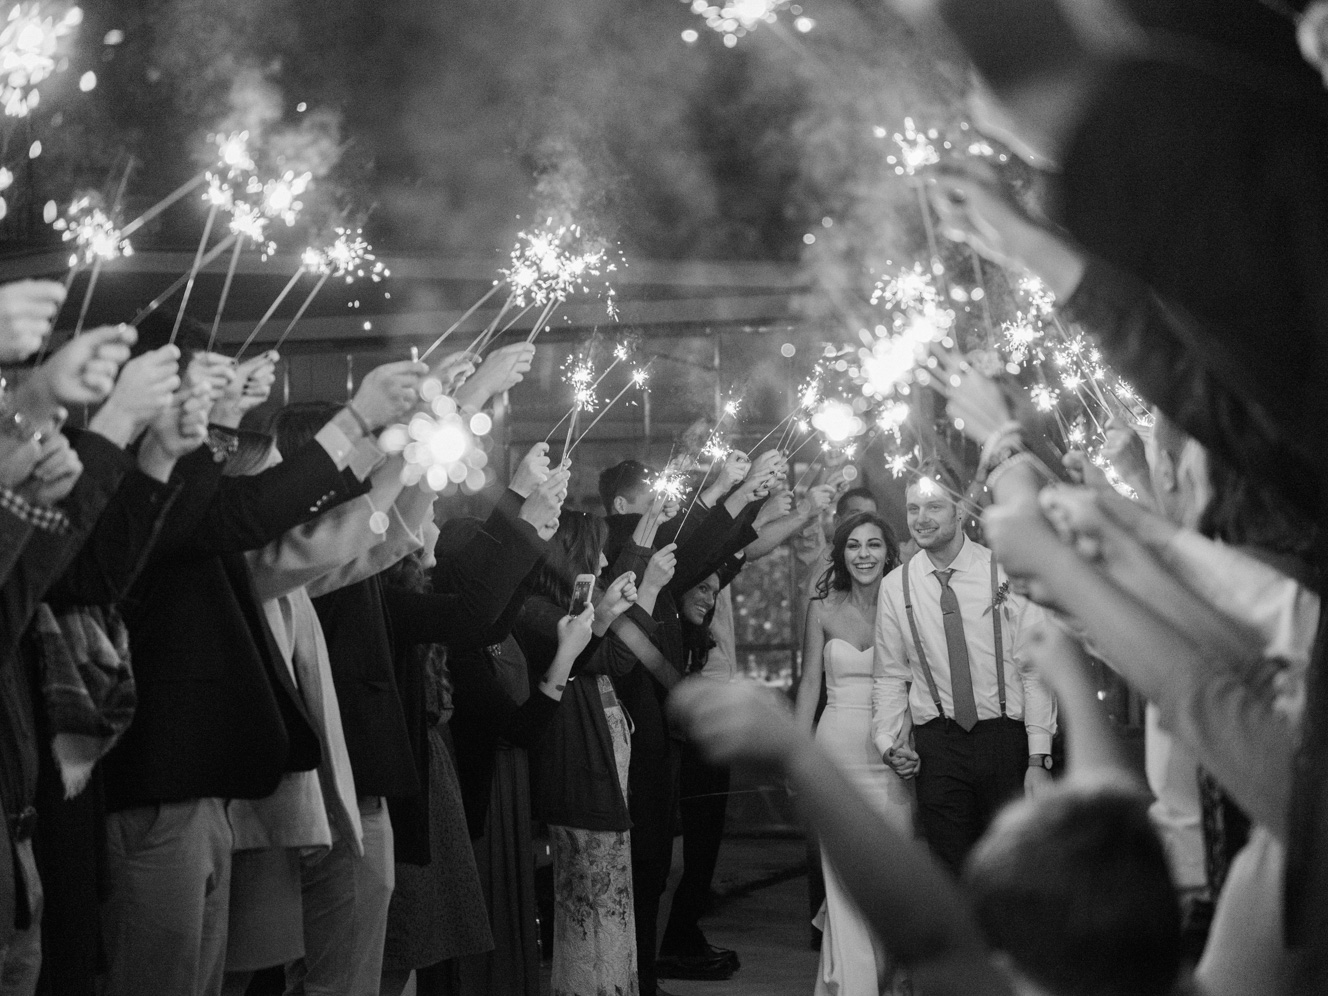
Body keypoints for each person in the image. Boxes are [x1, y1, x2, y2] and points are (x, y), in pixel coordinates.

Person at [870, 461, 1056, 874]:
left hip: (1004, 742)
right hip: (938, 747)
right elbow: (889, 675)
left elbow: (1034, 669)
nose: (921, 518)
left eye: (934, 507)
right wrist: (887, 741)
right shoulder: (895, 586)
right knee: (953, 874)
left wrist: (1038, 759)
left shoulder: (1005, 571)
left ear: (959, 511)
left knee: (1013, 873)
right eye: (913, 508)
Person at [512, 508, 659, 996]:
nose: (600, 560)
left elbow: (607, 658)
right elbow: (604, 658)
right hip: (577, 765)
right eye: (594, 550)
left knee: (603, 895)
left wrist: (613, 609)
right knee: (589, 898)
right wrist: (625, 606)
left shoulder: (569, 610)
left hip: (600, 761)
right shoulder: (536, 611)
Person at [796, 511, 912, 996]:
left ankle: (881, 979)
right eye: (854, 546)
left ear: (888, 552)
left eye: (874, 545)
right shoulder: (821, 608)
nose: (864, 554)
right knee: (844, 880)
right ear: (841, 554)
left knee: (891, 878)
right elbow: (808, 686)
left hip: (896, 751)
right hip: (836, 749)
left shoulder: (908, 604)